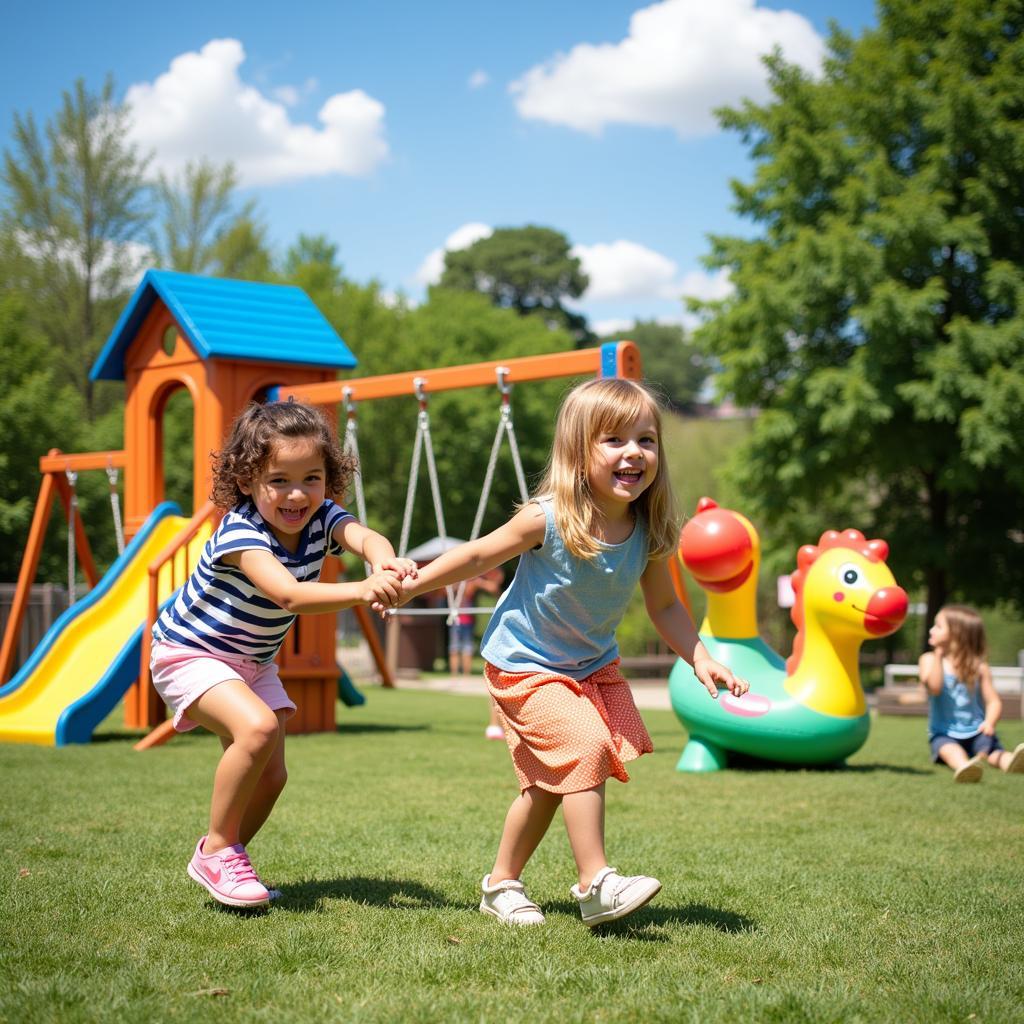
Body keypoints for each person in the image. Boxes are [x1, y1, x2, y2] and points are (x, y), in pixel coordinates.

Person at [389, 377, 747, 927]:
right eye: (614, 441)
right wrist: (415, 584)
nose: (634, 453)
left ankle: (500, 884)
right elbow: (479, 554)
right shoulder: (548, 517)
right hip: (524, 664)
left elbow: (666, 607)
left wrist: (700, 655)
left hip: (589, 667)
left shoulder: (648, 529)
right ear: (579, 452)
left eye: (646, 440)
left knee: (550, 787)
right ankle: (596, 883)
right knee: (585, 746)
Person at [151, 400, 415, 909]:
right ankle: (219, 848)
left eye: (312, 478)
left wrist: (386, 561)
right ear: (248, 481)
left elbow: (362, 535)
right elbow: (288, 594)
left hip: (251, 662)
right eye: (279, 480)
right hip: (190, 652)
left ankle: (224, 856)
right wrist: (365, 590)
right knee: (258, 729)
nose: (297, 494)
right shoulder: (241, 532)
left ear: (328, 479)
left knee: (272, 774)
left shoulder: (321, 517)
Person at [919, 604, 1024, 783]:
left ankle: (1009, 762)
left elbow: (993, 702)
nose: (931, 630)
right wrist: (938, 655)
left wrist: (989, 723)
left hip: (977, 730)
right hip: (944, 733)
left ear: (956, 634)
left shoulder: (979, 667)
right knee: (950, 750)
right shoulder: (928, 660)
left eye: (938, 626)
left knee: (993, 752)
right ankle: (964, 766)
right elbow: (934, 688)